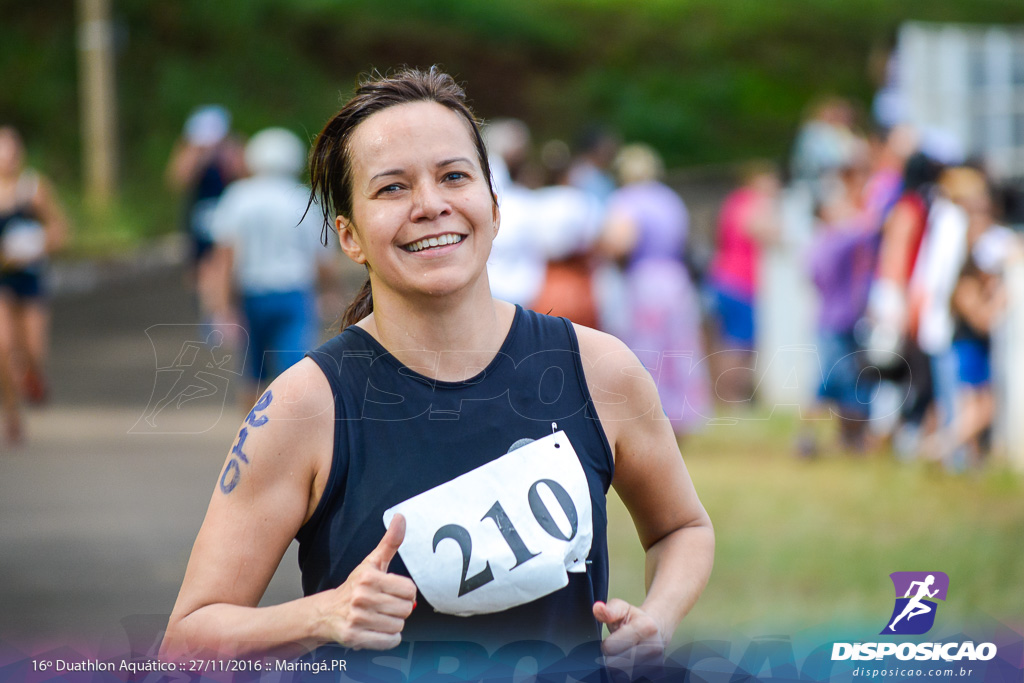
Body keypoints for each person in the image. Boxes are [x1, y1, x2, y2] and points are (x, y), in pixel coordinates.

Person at [161, 67, 714, 674]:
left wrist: (656, 619)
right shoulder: (305, 406)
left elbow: (681, 528)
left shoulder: (598, 368)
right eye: (392, 188)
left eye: (454, 176)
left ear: (494, 207)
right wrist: (322, 615)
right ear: (349, 236)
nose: (431, 205)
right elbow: (187, 640)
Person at [203, 127, 335, 408]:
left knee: (252, 374)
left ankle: (250, 444)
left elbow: (224, 259)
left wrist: (221, 306)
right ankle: (296, 441)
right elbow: (321, 258)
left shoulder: (237, 197)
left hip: (251, 297)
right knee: (295, 371)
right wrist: (332, 289)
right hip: (293, 296)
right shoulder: (302, 199)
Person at [601, 143, 711, 436]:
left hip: (646, 283)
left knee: (648, 351)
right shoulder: (669, 199)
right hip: (676, 280)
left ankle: (650, 416)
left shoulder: (626, 200)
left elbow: (619, 242)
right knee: (678, 351)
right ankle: (682, 418)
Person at [0, 126, 70, 442]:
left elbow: (60, 229)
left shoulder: (34, 188)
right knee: (4, 346)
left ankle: (31, 378)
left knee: (33, 350)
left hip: (31, 280)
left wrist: (36, 246)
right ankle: (12, 413)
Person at [705, 160, 781, 405]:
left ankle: (724, 396)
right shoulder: (752, 202)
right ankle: (731, 397)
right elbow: (765, 232)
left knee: (726, 340)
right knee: (740, 343)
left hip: (722, 277)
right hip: (739, 282)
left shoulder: (734, 200)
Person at [165, 105, 246, 289]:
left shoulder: (233, 149)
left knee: (229, 265)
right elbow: (178, 181)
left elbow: (245, 178)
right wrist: (197, 156)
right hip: (199, 220)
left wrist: (228, 157)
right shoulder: (188, 151)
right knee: (200, 270)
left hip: (227, 215)